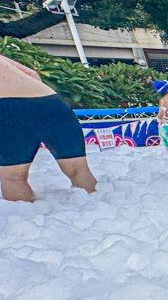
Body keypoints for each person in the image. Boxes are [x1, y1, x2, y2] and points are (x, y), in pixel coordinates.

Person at [0, 54, 97, 202]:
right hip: (50, 102)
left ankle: (27, 221)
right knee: (78, 169)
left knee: (14, 177)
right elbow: (33, 74)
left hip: (8, 107)